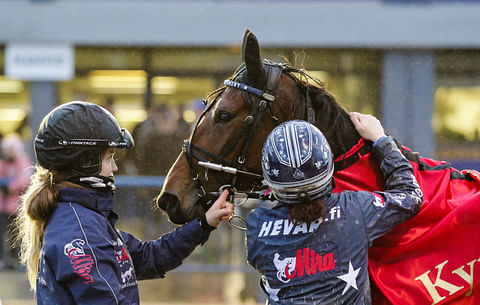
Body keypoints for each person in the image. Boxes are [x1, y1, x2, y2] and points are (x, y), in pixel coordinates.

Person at [14, 101, 233, 304]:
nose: (115, 168)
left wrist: (204, 223)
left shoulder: (88, 220)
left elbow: (150, 257)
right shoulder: (79, 233)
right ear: (85, 162)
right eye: (109, 158)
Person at [246, 113, 423, 304]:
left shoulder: (256, 226)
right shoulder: (355, 209)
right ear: (328, 161)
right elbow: (411, 196)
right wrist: (381, 139)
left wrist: (207, 223)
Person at [0, 133, 33, 269]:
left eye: (10, 149)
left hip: (17, 206)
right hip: (2, 205)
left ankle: (16, 260)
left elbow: (25, 181)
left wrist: (9, 185)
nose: (8, 152)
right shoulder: (3, 162)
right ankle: (3, 260)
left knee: (16, 235)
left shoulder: (24, 162)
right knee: (1, 234)